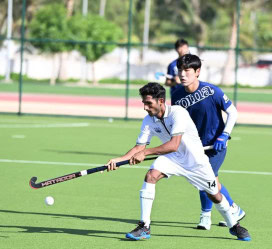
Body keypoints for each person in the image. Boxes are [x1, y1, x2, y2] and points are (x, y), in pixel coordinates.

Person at [106, 83, 251, 241]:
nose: (145, 108)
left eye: (149, 103)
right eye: (144, 103)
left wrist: (145, 152)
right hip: (172, 158)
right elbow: (139, 146)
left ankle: (234, 225)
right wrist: (118, 160)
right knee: (151, 176)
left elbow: (173, 145)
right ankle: (144, 226)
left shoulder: (178, 113)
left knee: (215, 195)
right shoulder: (148, 120)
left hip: (195, 161)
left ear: (161, 101)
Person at [172, 54, 245, 230]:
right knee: (213, 181)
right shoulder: (176, 95)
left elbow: (233, 112)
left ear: (197, 72)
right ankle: (234, 208)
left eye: (187, 70)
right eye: (180, 70)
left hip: (216, 145)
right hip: (195, 146)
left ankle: (205, 216)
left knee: (204, 178)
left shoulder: (212, 91)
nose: (182, 74)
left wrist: (224, 135)